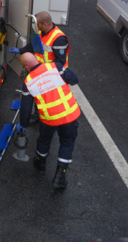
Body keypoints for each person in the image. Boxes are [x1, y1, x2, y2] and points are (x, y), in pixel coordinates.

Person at [17, 52, 80, 189]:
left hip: (49, 118)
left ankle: (40, 164)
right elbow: (74, 79)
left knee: (44, 140)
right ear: (36, 59)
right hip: (69, 114)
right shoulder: (55, 67)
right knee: (67, 143)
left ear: (27, 67)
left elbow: (26, 108)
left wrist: (23, 125)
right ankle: (60, 176)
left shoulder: (28, 82)